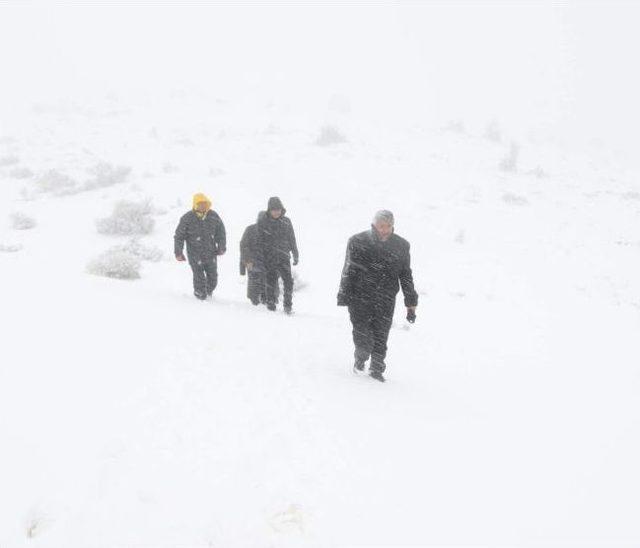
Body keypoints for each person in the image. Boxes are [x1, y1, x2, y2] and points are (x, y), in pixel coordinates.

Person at [337, 210, 418, 382]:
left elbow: (405, 275)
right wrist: (343, 293)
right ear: (374, 224)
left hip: (385, 298)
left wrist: (411, 303)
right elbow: (348, 269)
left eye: (388, 226)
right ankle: (361, 357)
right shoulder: (358, 241)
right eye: (382, 226)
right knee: (362, 335)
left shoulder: (401, 246)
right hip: (359, 297)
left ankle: (377, 368)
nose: (385, 230)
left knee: (381, 334)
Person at [174, 193, 226, 300]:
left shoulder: (213, 216)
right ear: (195, 205)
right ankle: (200, 297)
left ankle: (208, 293)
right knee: (199, 277)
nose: (202, 206)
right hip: (194, 254)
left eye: (204, 203)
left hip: (211, 253)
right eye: (200, 204)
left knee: (213, 278)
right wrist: (178, 252)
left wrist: (221, 247)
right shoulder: (187, 218)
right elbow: (179, 236)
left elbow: (221, 233)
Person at [257, 197, 299, 314]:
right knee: (271, 281)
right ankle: (271, 304)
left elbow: (292, 238)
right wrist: (260, 257)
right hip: (269, 257)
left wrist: (295, 253)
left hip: (284, 256)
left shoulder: (286, 221)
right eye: (274, 210)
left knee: (288, 281)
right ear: (269, 210)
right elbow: (259, 241)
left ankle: (288, 306)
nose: (276, 212)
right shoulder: (263, 222)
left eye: (278, 209)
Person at [239, 212, 276, 306]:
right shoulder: (250, 229)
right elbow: (244, 246)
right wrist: (247, 260)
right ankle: (255, 302)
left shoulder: (272, 230)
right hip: (253, 261)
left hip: (267, 262)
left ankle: (265, 301)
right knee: (254, 282)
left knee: (267, 282)